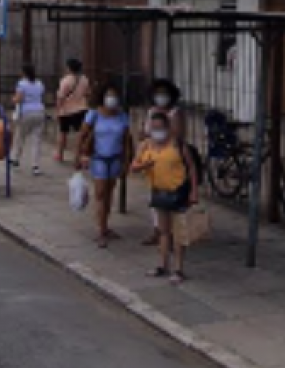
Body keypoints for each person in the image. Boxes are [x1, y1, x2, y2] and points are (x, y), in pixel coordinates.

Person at [131, 108, 198, 282]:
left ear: (168, 128)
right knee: (163, 231)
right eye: (154, 128)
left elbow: (191, 168)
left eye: (160, 128)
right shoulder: (146, 145)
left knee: (179, 232)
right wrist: (145, 165)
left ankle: (179, 269)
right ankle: (163, 265)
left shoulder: (178, 145)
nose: (157, 132)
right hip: (159, 192)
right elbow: (134, 167)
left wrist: (194, 191)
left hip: (178, 192)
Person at [77, 85, 132, 248]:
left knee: (109, 193)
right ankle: (101, 229)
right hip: (99, 158)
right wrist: (79, 156)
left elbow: (127, 140)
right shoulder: (94, 114)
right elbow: (83, 135)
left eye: (114, 96)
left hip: (115, 158)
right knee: (100, 193)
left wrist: (127, 161)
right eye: (109, 95)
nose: (112, 99)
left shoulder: (122, 116)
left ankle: (105, 224)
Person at [140, 78, 187, 247]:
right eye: (158, 93)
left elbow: (177, 136)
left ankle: (171, 233)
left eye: (164, 94)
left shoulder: (175, 113)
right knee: (155, 197)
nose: (161, 97)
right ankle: (158, 230)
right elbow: (144, 132)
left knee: (171, 196)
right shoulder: (151, 111)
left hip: (169, 160)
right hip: (152, 159)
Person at [11, 63, 49, 175]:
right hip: (39, 112)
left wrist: (13, 99)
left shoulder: (22, 84)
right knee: (36, 140)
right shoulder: (39, 83)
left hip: (26, 113)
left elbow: (18, 99)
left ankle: (15, 159)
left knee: (20, 136)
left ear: (24, 73)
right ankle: (35, 166)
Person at [53, 57, 92, 164]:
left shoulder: (65, 80)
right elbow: (88, 93)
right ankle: (80, 155)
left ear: (69, 68)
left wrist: (58, 110)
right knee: (81, 134)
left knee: (63, 133)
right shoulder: (84, 79)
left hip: (66, 110)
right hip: (81, 108)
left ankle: (60, 154)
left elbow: (60, 97)